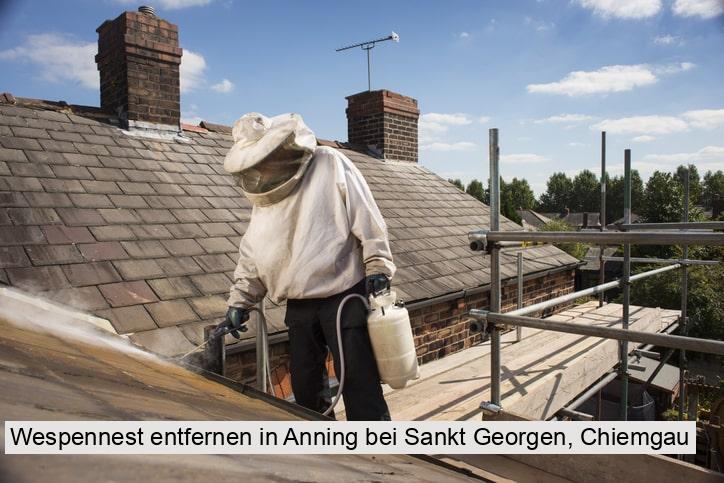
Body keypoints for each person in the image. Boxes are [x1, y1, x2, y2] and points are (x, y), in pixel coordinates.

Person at [217, 112, 395, 420]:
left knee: (359, 382)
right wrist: (239, 302)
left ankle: (381, 456)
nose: (262, 170)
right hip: (299, 304)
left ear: (284, 149)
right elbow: (256, 255)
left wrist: (378, 265)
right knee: (305, 386)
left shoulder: (329, 163)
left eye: (266, 159)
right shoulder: (265, 199)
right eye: (256, 165)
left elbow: (367, 217)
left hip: (342, 293)